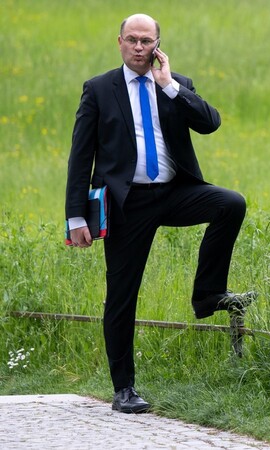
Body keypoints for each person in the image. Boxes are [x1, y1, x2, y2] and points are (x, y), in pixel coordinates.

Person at [65, 13, 256, 414]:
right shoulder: (99, 90)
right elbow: (81, 156)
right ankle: (124, 390)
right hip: (126, 204)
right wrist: (76, 216)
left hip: (174, 191)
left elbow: (210, 123)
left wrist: (168, 86)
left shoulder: (175, 85)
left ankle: (207, 295)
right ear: (119, 42)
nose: (139, 47)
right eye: (132, 40)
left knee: (230, 203)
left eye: (146, 41)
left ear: (157, 45)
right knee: (121, 295)